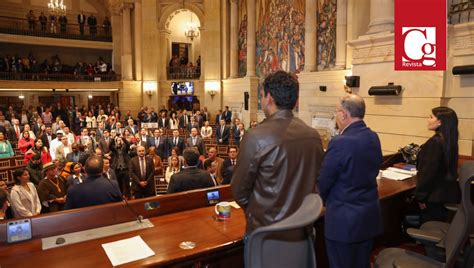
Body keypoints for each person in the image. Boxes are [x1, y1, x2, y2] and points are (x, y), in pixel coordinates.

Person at [231, 70, 324, 237]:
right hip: (302, 231)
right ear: (296, 101)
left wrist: (258, 214)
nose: (261, 100)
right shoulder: (313, 136)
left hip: (266, 234)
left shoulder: (255, 137)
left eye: (261, 95)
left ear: (269, 98)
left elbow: (239, 191)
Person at [317, 94, 383, 268]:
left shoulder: (340, 142)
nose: (336, 116)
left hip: (344, 223)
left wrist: (316, 201)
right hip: (368, 217)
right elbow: (375, 169)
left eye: (336, 111)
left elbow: (324, 181)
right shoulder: (373, 137)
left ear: (344, 114)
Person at [415, 107, 460, 223]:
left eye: (431, 117)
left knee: (429, 229)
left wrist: (420, 197)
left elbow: (428, 173)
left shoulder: (435, 143)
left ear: (439, 122)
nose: (428, 120)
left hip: (432, 198)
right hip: (445, 196)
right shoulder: (450, 141)